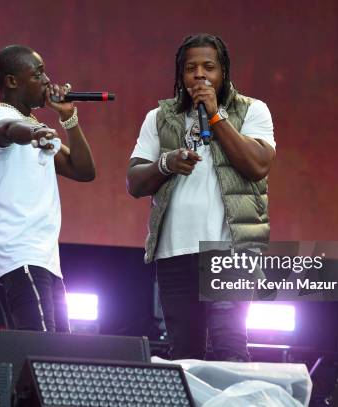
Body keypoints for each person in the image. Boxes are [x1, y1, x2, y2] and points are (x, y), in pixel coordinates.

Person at [127, 33, 276, 361]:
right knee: (184, 354)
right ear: (180, 75)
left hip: (230, 251)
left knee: (229, 346)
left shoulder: (252, 111)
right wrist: (166, 163)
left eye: (209, 66)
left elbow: (257, 165)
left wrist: (215, 117)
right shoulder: (160, 118)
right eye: (190, 68)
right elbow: (135, 182)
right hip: (174, 251)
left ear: (223, 72)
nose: (199, 74)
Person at [0, 45, 96, 332]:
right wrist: (34, 133)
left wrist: (69, 117)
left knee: (59, 353)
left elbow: (84, 171)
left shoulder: (37, 126)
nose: (47, 81)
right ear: (12, 81)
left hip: (45, 256)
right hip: (20, 250)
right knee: (44, 350)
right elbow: (9, 130)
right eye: (38, 74)